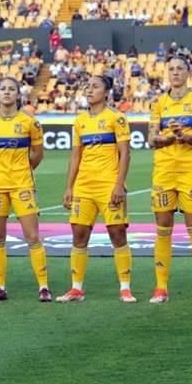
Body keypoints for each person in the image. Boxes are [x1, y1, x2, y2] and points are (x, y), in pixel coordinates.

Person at [57, 76, 133, 303]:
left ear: (106, 92)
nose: (90, 90)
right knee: (79, 235)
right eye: (87, 87)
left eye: (95, 86)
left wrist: (119, 184)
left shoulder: (116, 119)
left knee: (117, 234)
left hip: (109, 185)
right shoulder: (80, 121)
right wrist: (69, 187)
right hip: (84, 186)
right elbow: (75, 156)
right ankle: (76, 289)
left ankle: (125, 288)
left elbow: (125, 153)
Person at [0, 77, 51, 302]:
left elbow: (37, 154)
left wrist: (22, 171)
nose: (7, 93)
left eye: (11, 89)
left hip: (22, 185)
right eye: (3, 89)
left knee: (32, 236)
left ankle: (43, 287)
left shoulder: (30, 122)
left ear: (18, 94)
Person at [147, 55, 192, 304]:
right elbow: (152, 140)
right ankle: (161, 288)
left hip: (189, 171)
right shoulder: (158, 103)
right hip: (163, 171)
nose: (175, 73)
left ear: (188, 73)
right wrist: (166, 138)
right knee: (163, 230)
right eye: (171, 69)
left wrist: (181, 135)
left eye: (179, 69)